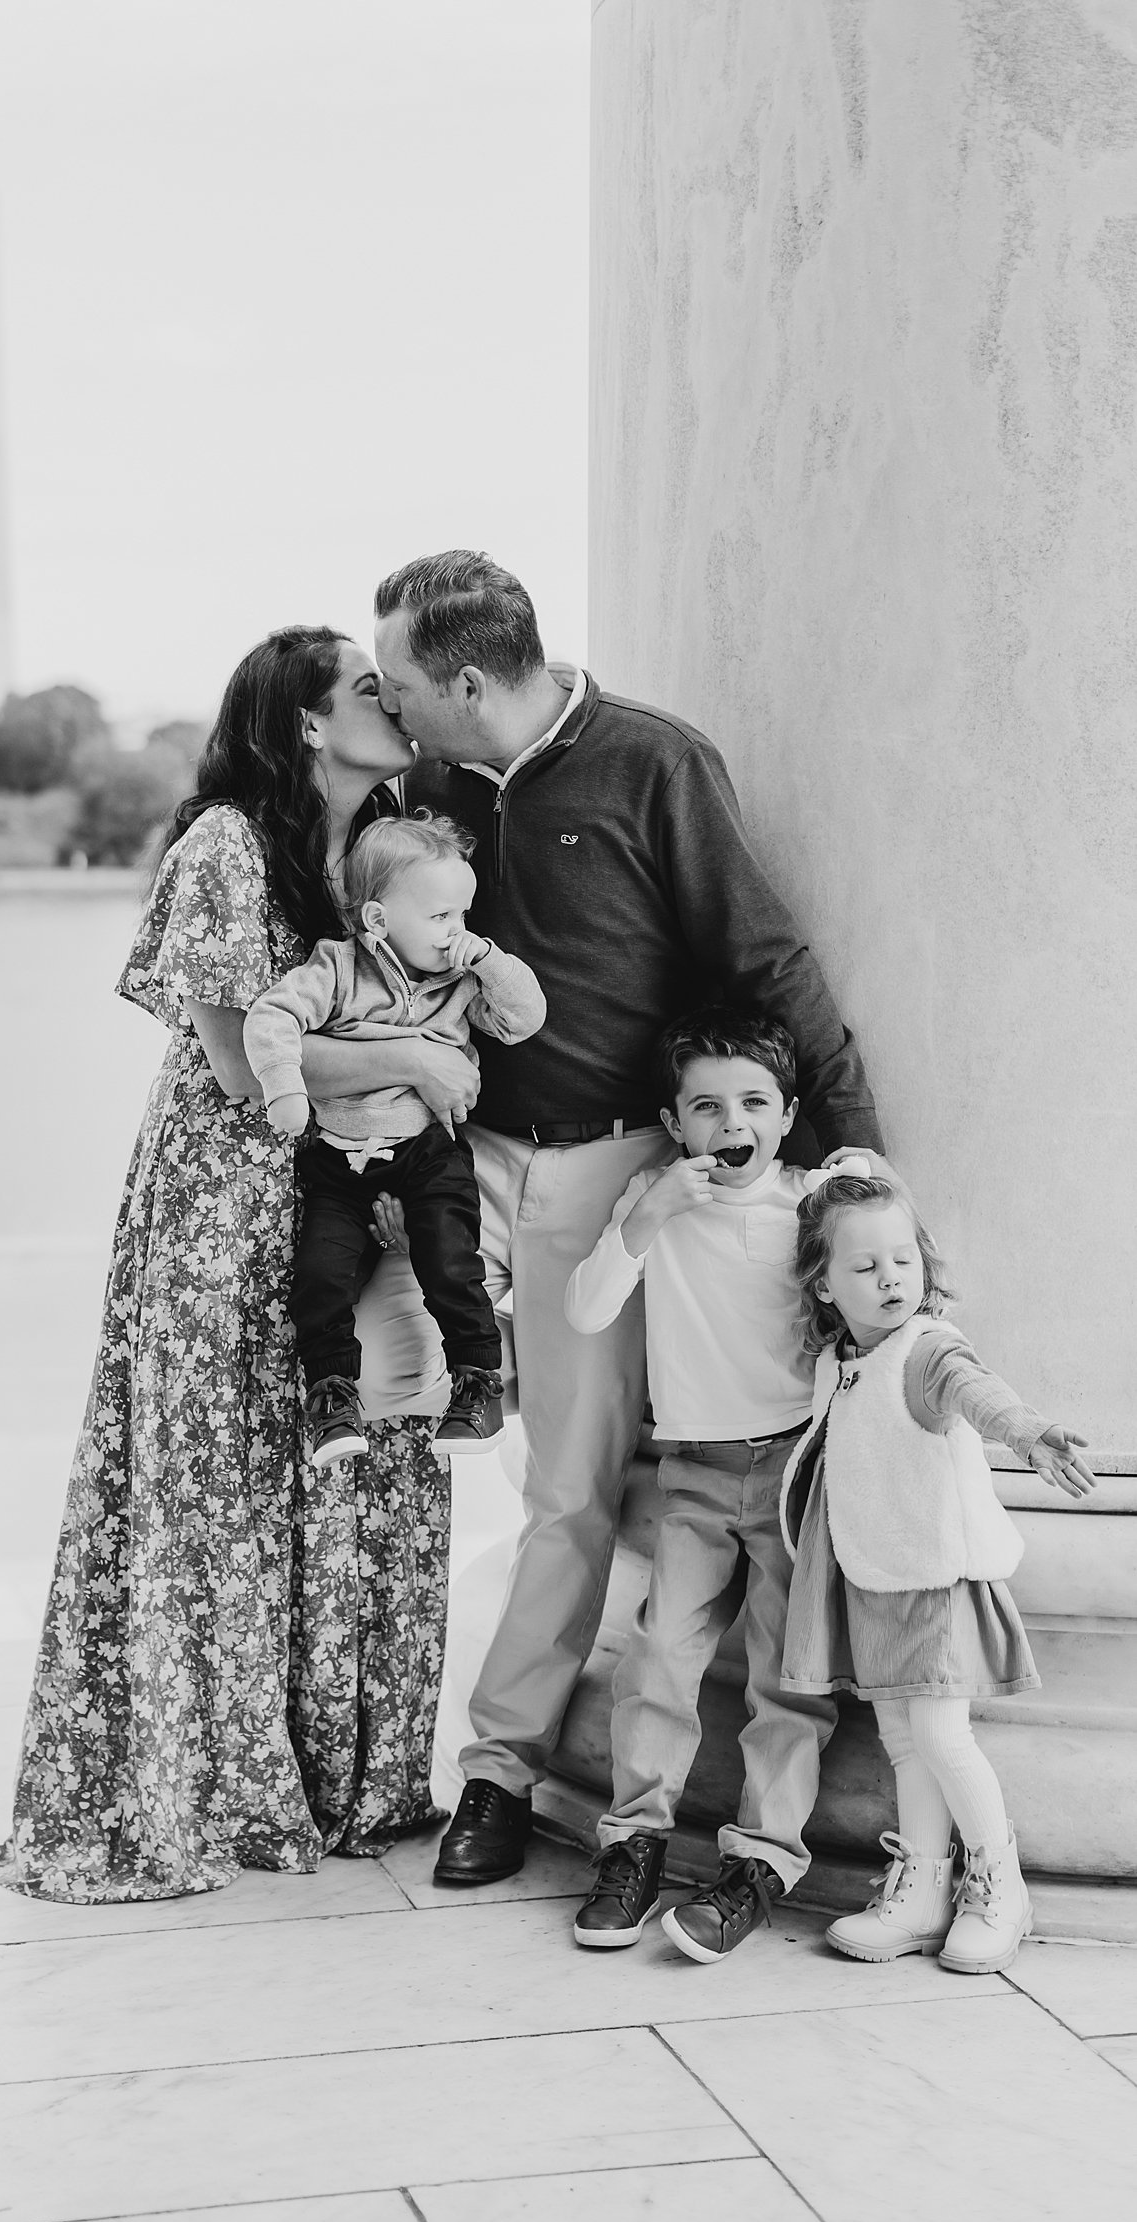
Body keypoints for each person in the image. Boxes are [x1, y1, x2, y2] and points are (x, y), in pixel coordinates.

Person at [372, 548, 884, 1885]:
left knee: (574, 1485)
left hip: (609, 1171)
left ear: (466, 678)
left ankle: (500, 1771)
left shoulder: (654, 764)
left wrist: (859, 1166)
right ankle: (441, 1750)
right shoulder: (425, 788)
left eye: (400, 685)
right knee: (433, 1450)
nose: (390, 709)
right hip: (452, 1163)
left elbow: (762, 957)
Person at [0, 626, 471, 1905]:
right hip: (224, 1199)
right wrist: (415, 1065)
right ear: (308, 723)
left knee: (358, 1461)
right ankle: (209, 1783)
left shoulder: (388, 848)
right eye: (369, 688)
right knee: (217, 1479)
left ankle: (344, 1772)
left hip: (354, 1193)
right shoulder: (226, 844)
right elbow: (226, 1059)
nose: (396, 699)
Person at [563, 1009, 879, 1959]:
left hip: (794, 1471)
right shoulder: (658, 1204)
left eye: (752, 1102)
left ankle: (760, 1864)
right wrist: (647, 1216)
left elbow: (891, 1287)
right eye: (706, 1106)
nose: (728, 1120)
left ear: (785, 1117)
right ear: (676, 1121)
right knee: (659, 1654)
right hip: (696, 1469)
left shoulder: (815, 1203)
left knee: (790, 1675)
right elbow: (586, 1311)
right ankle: (635, 1845)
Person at [780, 1172, 1093, 1973]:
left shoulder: (924, 1348)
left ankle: (1000, 1884)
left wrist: (1028, 1433)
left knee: (941, 1736)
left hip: (936, 1578)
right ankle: (920, 1890)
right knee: (902, 1741)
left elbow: (974, 1388)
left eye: (903, 1259)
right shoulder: (843, 1361)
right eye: (864, 1266)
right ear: (823, 1283)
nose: (890, 1278)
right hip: (877, 1575)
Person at [243, 813, 545, 1466]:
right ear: (379, 921)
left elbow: (522, 1020)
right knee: (321, 1275)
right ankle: (332, 1395)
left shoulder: (461, 983)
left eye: (464, 915)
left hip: (427, 1155)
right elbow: (274, 1016)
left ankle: (477, 1381)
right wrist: (285, 1088)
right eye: (442, 917)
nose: (458, 932)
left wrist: (491, 961)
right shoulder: (337, 969)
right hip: (340, 1161)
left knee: (449, 1258)